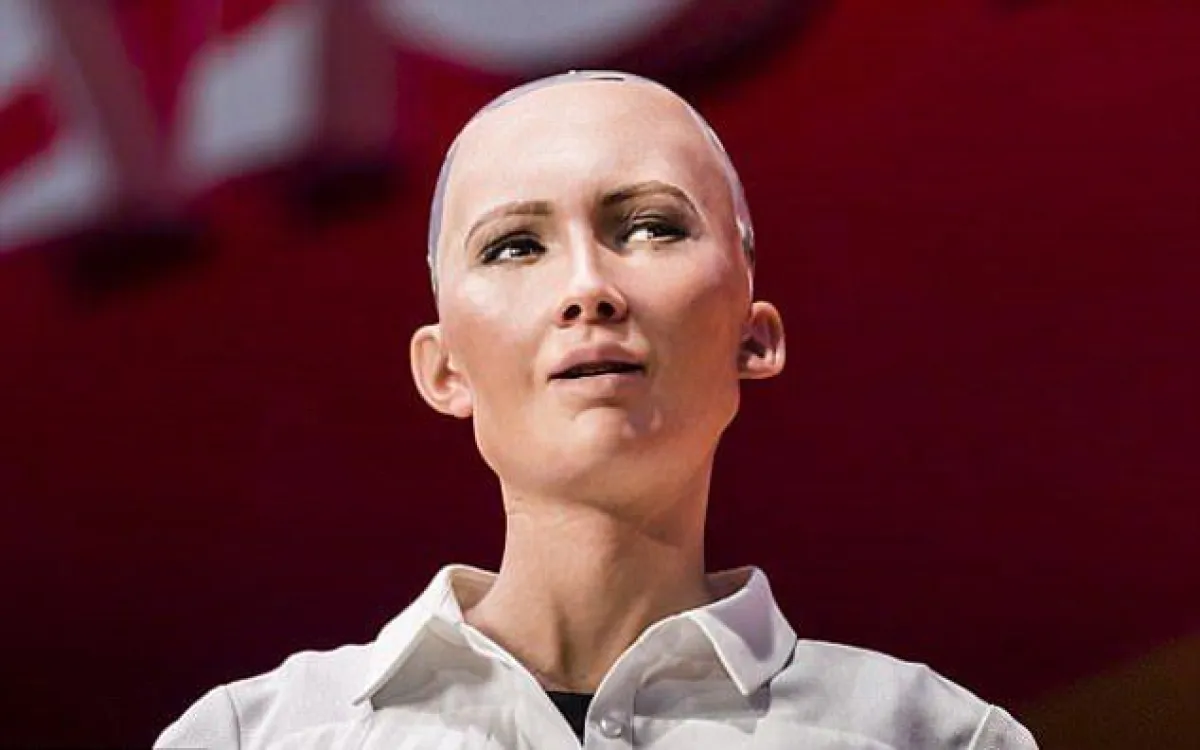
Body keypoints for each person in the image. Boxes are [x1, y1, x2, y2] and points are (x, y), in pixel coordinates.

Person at [156, 70, 1038, 749]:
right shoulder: (255, 737)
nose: (588, 287)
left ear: (753, 338)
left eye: (651, 227)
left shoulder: (933, 737)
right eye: (514, 246)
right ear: (445, 369)